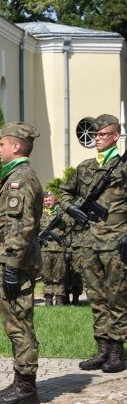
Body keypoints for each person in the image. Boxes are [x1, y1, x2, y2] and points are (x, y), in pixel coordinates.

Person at [59, 113, 127, 373]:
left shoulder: (123, 167)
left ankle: (117, 350)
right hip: (88, 241)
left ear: (115, 136)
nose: (96, 138)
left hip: (115, 240)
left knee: (117, 294)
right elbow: (64, 192)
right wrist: (70, 207)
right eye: (95, 135)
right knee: (96, 295)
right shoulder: (85, 167)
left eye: (101, 135)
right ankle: (102, 348)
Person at [0, 122, 43, 404]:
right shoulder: (14, 177)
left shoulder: (20, 179)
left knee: (19, 323)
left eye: (1, 144)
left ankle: (25, 386)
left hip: (14, 262)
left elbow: (20, 226)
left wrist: (11, 265)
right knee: (15, 322)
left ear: (16, 146)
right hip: (11, 259)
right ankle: (22, 381)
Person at [39, 191, 69, 306]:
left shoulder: (61, 213)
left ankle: (59, 298)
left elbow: (67, 226)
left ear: (54, 200)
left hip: (59, 248)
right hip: (45, 249)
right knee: (46, 275)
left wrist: (55, 232)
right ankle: (48, 298)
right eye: (45, 201)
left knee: (59, 274)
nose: (47, 203)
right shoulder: (40, 215)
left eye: (49, 200)